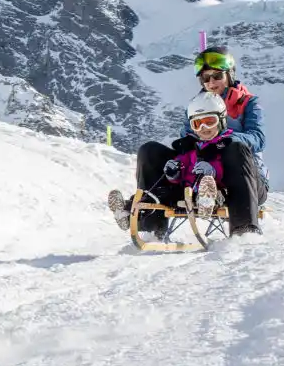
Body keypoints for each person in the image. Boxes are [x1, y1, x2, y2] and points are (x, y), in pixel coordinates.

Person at [110, 91, 266, 239]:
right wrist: (173, 172)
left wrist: (212, 171)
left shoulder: (226, 145)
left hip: (218, 190)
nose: (204, 128)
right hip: (189, 191)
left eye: (210, 122)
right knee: (158, 193)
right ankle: (130, 212)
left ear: (222, 120)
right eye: (198, 124)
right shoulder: (191, 148)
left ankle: (239, 228)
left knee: (215, 193)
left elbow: (230, 168)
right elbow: (183, 168)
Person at [194, 48, 264, 154]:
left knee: (233, 153)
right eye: (205, 78)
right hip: (208, 159)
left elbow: (258, 138)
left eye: (217, 76)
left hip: (241, 159)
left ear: (229, 75)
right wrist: (188, 141)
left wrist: (228, 140)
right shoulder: (195, 106)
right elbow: (189, 132)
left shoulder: (249, 103)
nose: (211, 82)